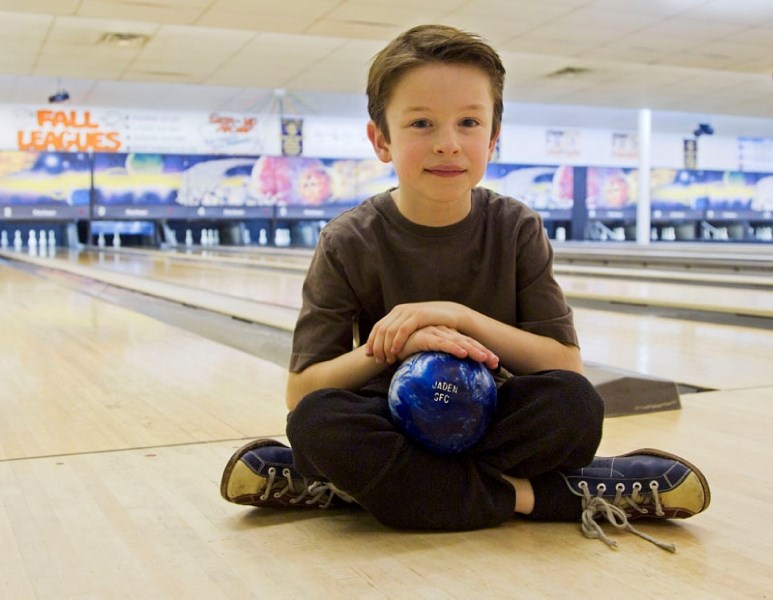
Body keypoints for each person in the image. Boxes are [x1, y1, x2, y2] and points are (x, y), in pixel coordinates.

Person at [220, 24, 710, 550]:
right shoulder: (348, 240)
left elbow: (565, 367)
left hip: (495, 420)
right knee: (318, 423)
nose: (448, 143)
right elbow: (303, 391)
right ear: (380, 139)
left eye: (469, 122)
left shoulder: (516, 227)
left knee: (575, 406)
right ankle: (548, 497)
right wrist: (393, 346)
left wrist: (461, 317)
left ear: (493, 138)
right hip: (390, 422)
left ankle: (359, 488)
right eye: (422, 123)